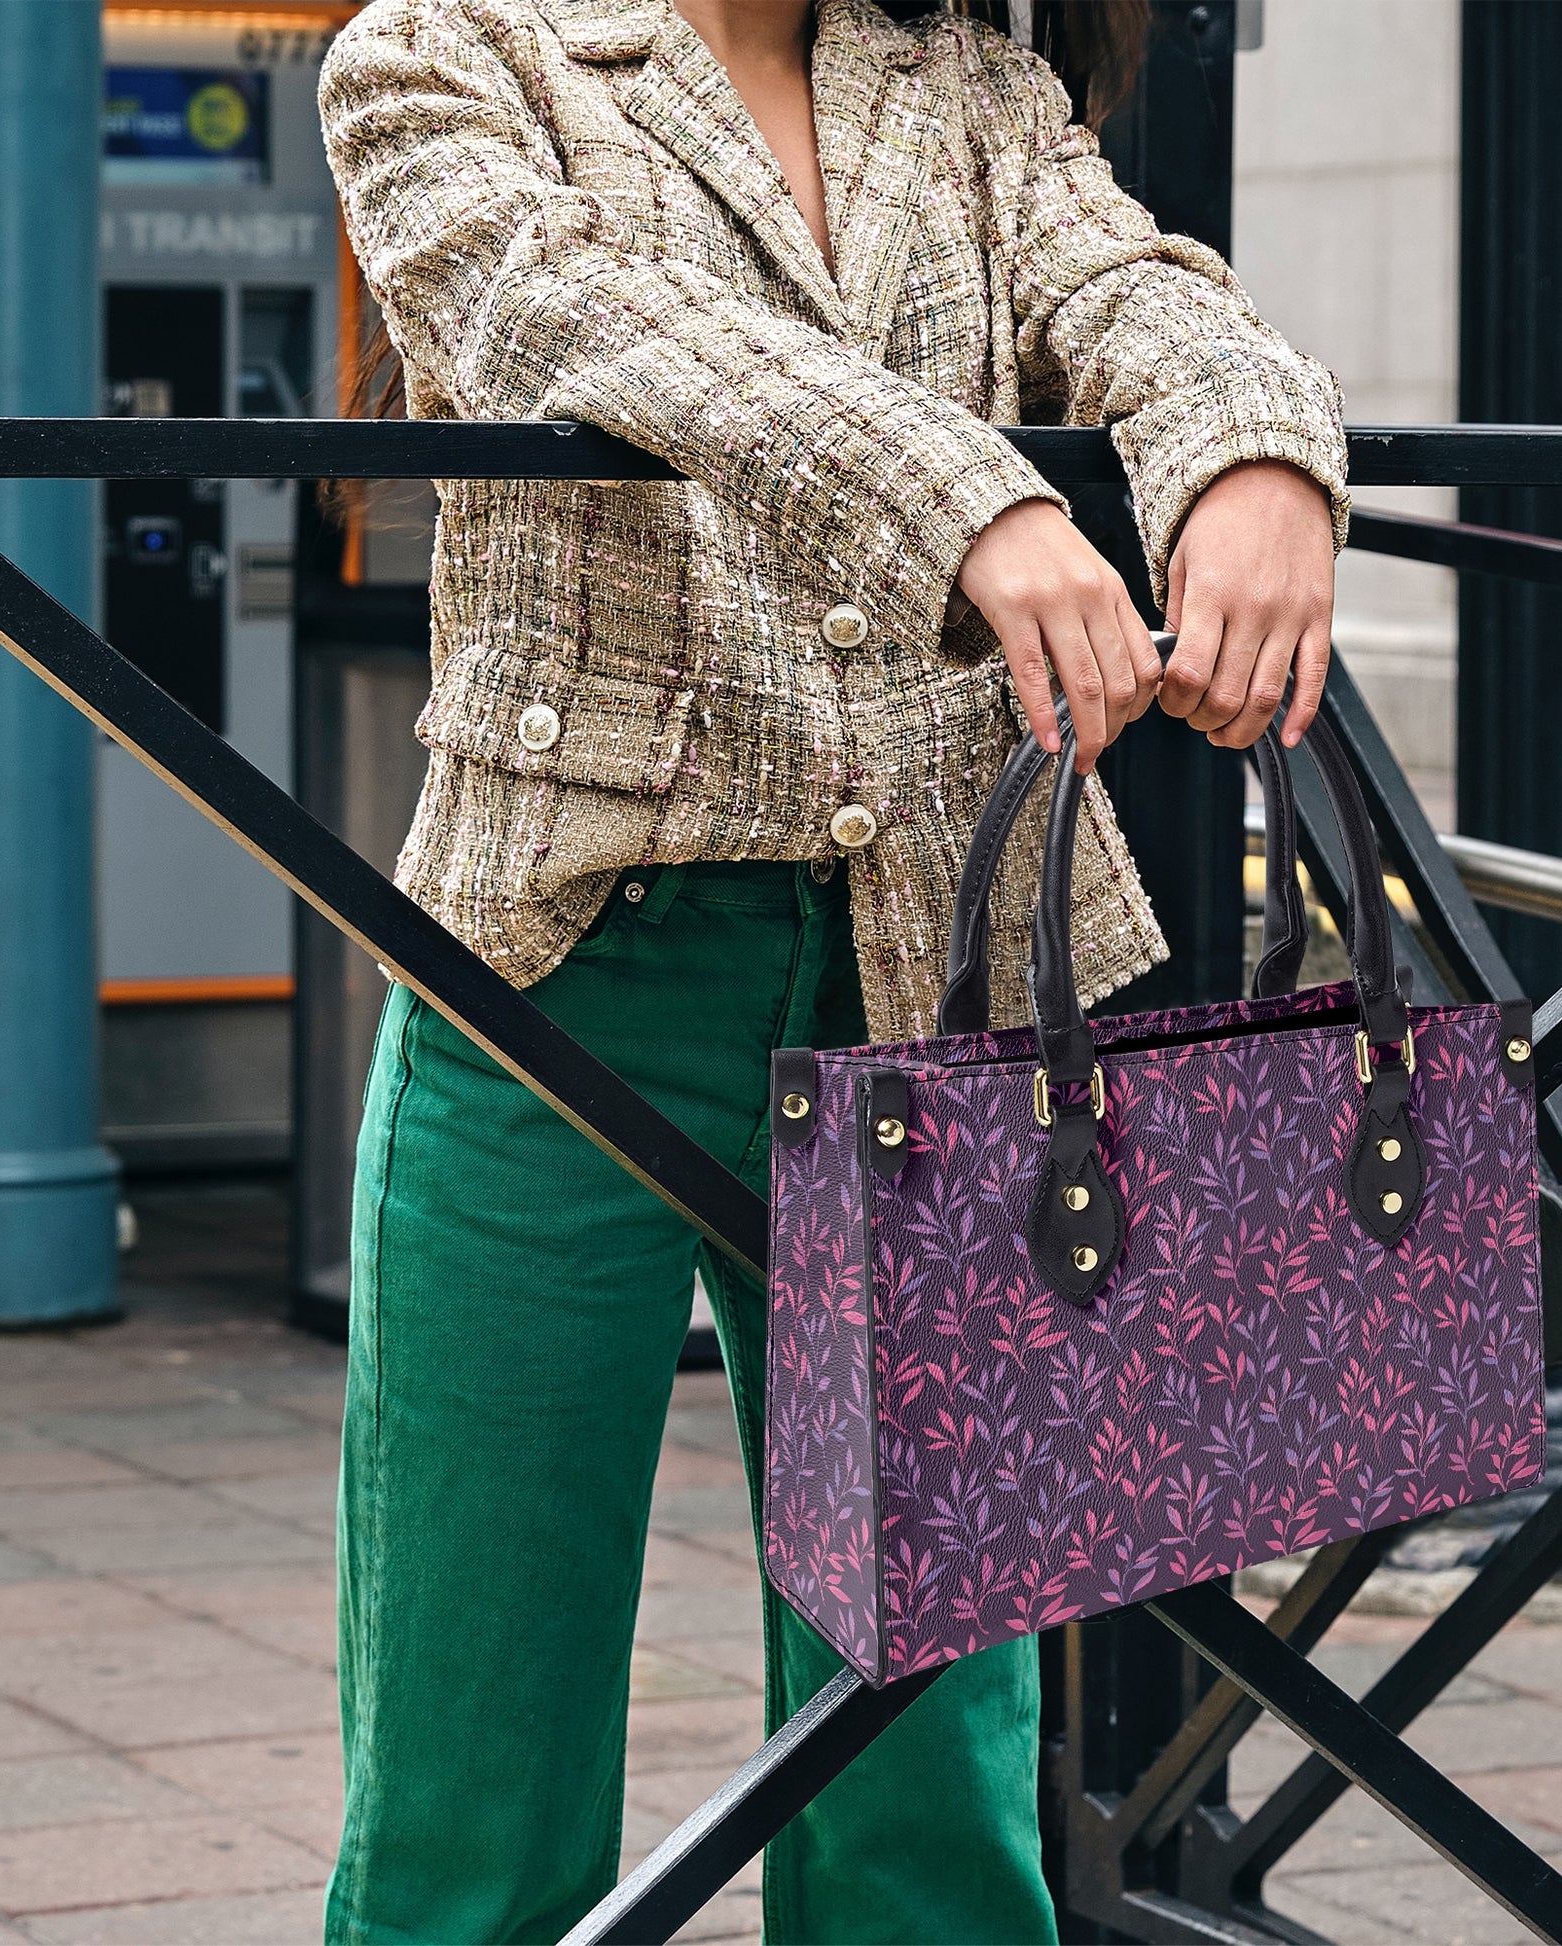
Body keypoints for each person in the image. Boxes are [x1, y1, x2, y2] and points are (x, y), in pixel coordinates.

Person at [316, 0, 1345, 1937]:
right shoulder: (441, 52)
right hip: (559, 987)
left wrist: (1253, 455)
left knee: (930, 1810)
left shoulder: (960, 83)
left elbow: (1133, 289)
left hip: (926, 990)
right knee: (473, 1798)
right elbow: (591, 322)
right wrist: (980, 502)